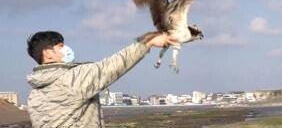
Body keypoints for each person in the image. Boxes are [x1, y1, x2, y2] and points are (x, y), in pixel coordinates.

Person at [26, 30, 177, 127]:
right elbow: (112, 66)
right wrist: (148, 42)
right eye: (60, 46)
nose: (67, 49)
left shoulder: (34, 94)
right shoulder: (72, 78)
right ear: (48, 53)